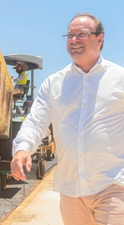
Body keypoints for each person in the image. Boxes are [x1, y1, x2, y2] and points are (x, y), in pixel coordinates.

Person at [11, 13, 124, 224]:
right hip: (71, 191)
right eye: (70, 35)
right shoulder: (54, 83)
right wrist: (22, 148)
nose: (74, 40)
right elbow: (36, 121)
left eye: (81, 34)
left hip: (113, 187)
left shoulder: (120, 78)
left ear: (99, 39)